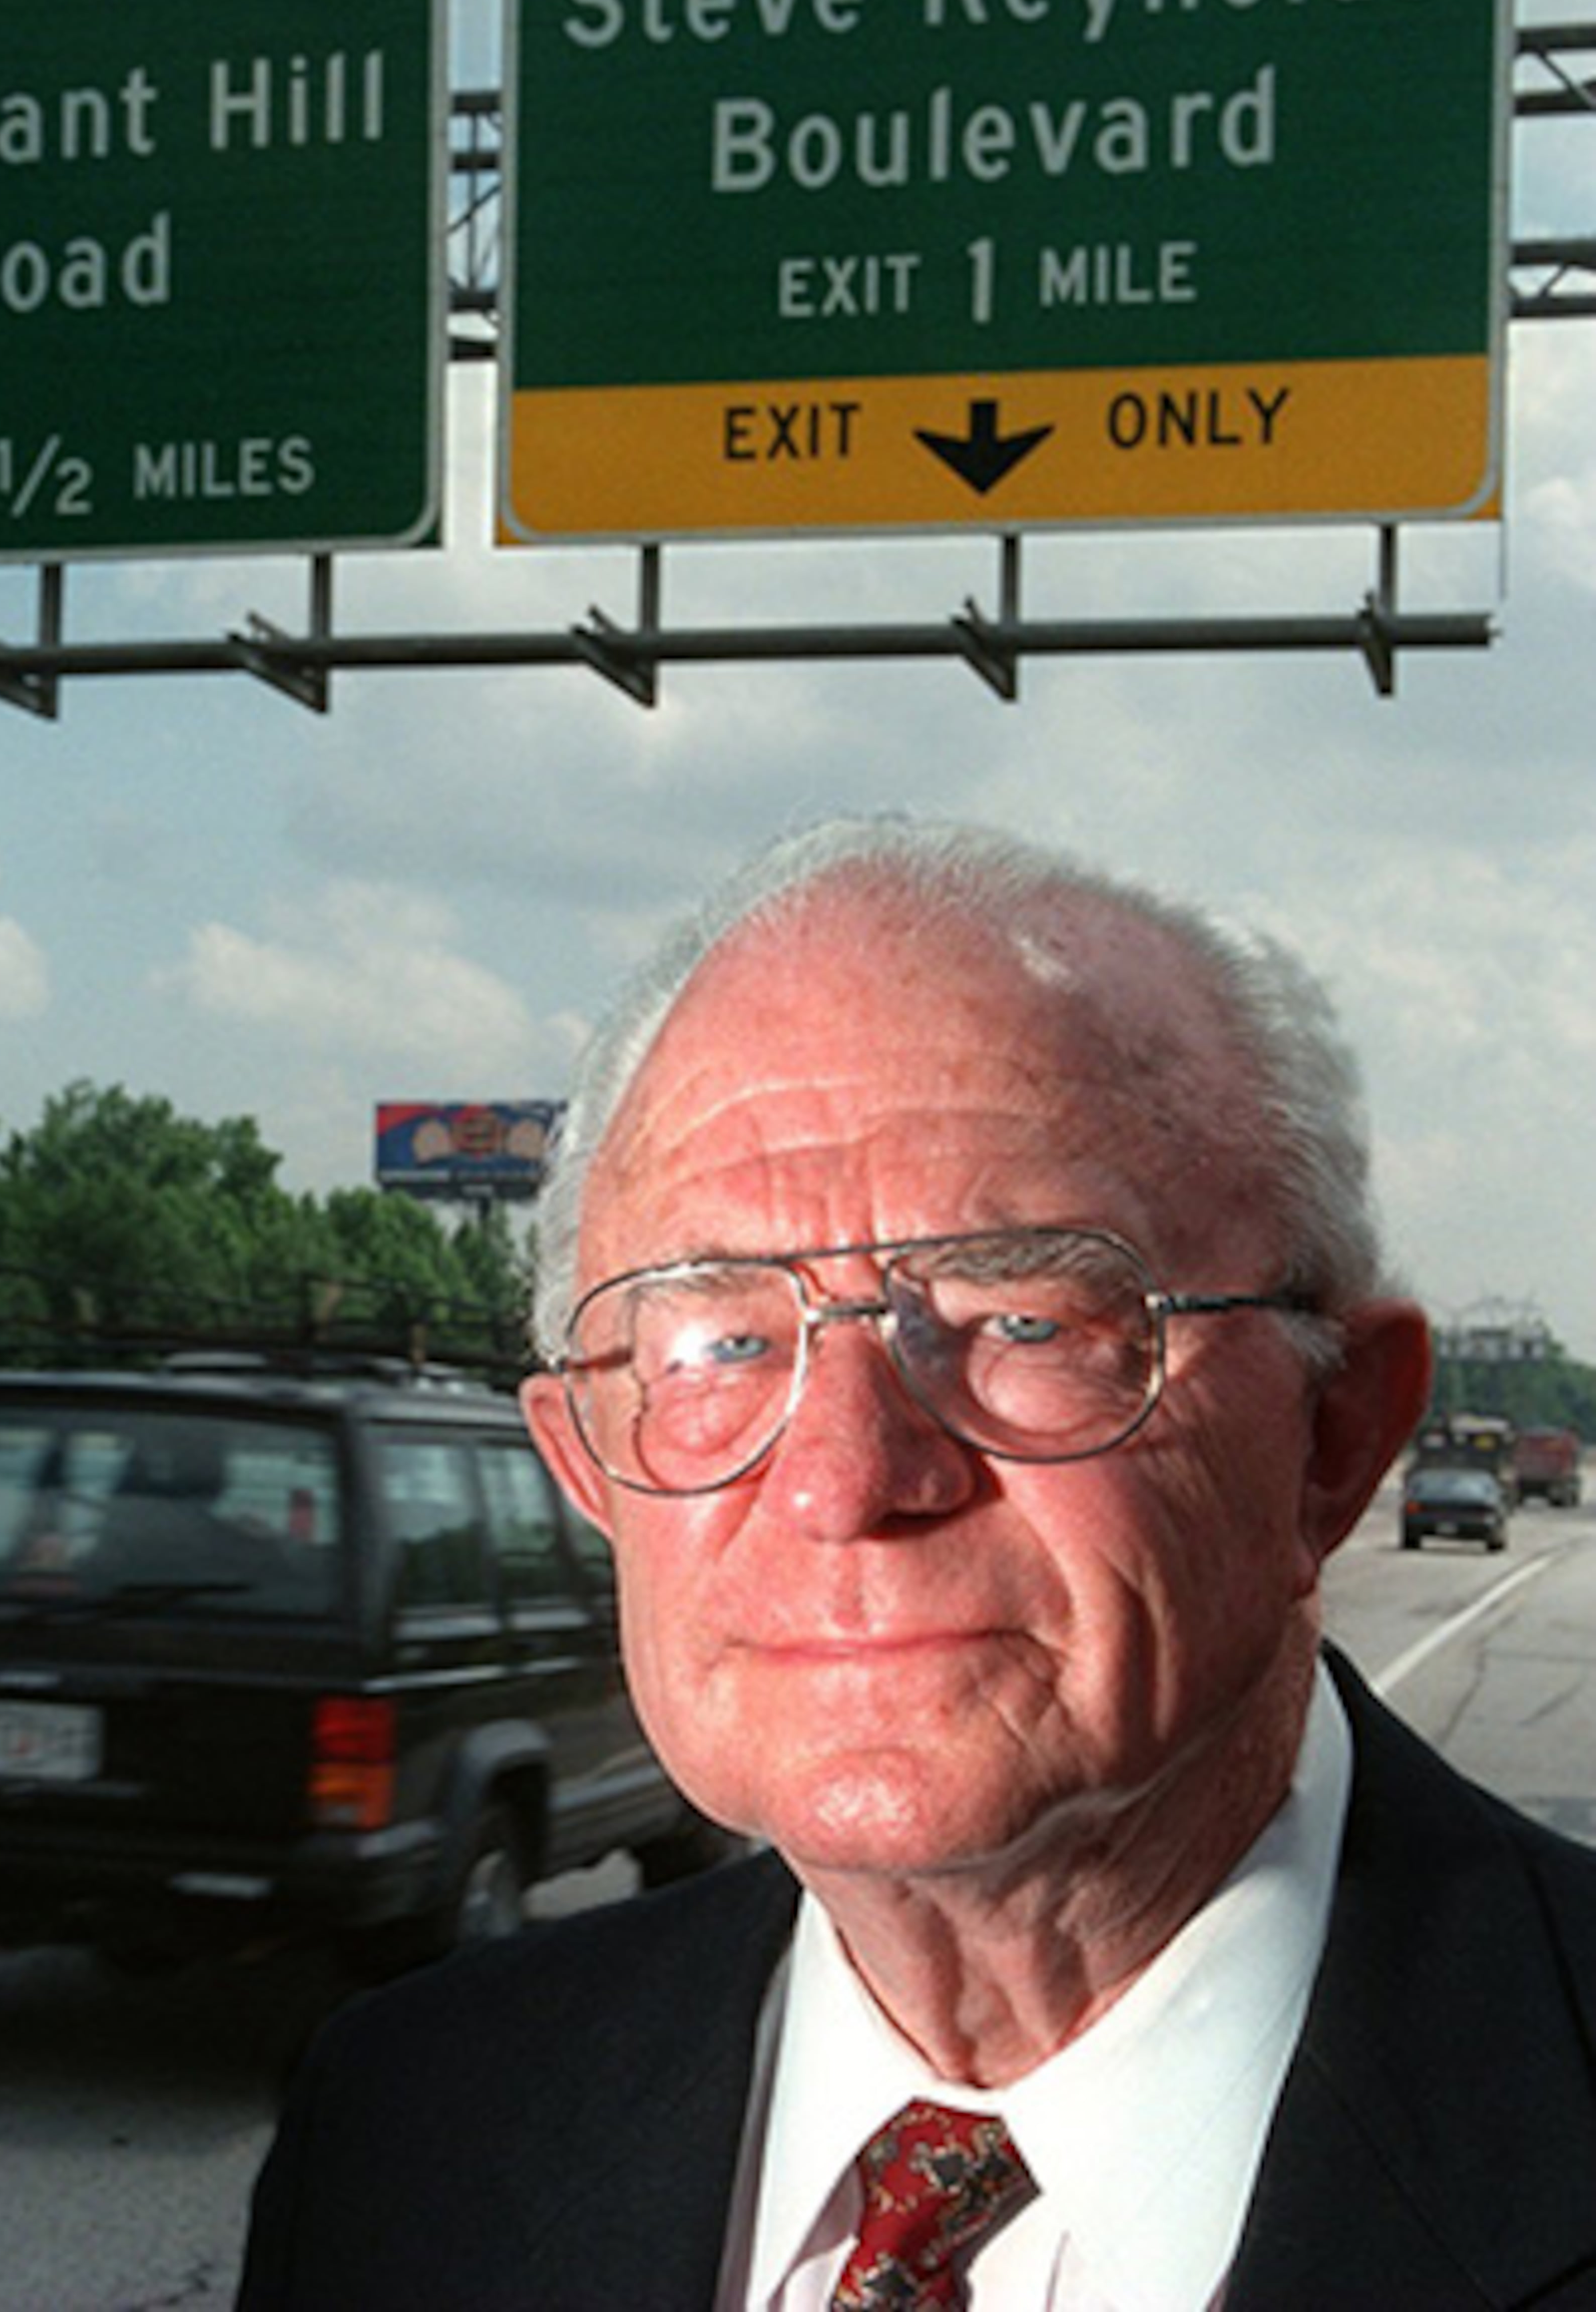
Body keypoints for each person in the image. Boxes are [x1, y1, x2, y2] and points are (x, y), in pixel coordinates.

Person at [239, 817, 1596, 2310]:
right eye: (720, 1342)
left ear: (1336, 1433)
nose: (841, 1480)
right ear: (585, 1465)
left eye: (1025, 1318)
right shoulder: (403, 2135)